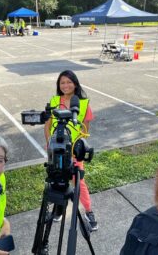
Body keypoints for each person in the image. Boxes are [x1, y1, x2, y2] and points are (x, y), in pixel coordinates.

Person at [43, 70, 98, 231]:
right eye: (62, 82)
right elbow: (47, 126)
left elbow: (85, 130)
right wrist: (50, 147)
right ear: (58, 85)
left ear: (75, 83)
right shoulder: (54, 100)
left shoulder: (83, 103)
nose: (66, 85)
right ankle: (59, 210)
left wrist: (77, 148)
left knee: (79, 183)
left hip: (73, 152)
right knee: (57, 180)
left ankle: (88, 211)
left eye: (69, 82)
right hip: (56, 150)